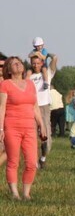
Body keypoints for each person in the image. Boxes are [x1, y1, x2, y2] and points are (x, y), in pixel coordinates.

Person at [0, 57, 47, 200]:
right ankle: (15, 193)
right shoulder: (5, 84)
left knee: (32, 162)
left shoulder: (30, 84)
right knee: (13, 161)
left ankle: (26, 193)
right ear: (8, 69)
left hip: (29, 127)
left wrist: (41, 124)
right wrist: (1, 129)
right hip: (11, 126)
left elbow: (35, 107)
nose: (18, 64)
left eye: (19, 62)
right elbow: (2, 108)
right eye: (14, 63)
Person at [28, 54, 58, 168]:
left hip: (44, 107)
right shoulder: (28, 76)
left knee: (45, 137)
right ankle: (34, 162)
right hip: (31, 106)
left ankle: (43, 158)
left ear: (42, 63)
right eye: (33, 63)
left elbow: (55, 58)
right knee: (32, 135)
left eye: (38, 63)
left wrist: (44, 54)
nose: (36, 65)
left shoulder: (47, 74)